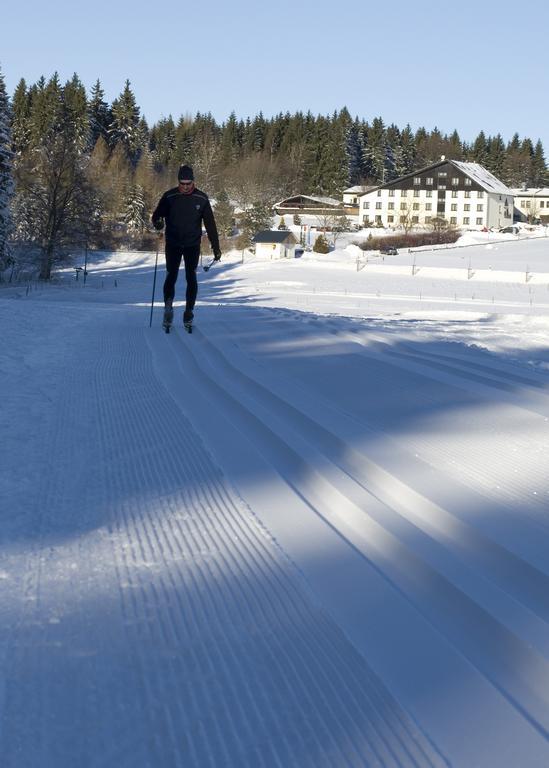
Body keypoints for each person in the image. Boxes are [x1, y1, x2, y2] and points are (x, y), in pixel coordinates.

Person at [151, 164, 221, 328]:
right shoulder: (169, 196)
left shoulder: (201, 199)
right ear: (178, 182)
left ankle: (189, 311)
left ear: (193, 182)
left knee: (191, 277)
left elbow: (210, 224)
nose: (185, 187)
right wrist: (158, 223)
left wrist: (216, 246)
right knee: (171, 274)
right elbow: (156, 215)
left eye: (188, 183)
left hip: (192, 244)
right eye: (182, 183)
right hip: (173, 242)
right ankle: (168, 307)